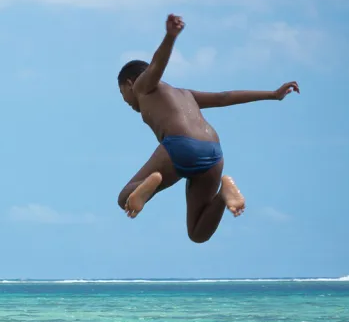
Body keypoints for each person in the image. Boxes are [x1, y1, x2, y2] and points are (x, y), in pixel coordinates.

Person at [116, 13, 300, 243]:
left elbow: (156, 66)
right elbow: (224, 97)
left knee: (124, 198)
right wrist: (272, 95)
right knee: (197, 233)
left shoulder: (143, 85)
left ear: (129, 84)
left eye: (123, 94)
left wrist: (170, 37)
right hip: (214, 152)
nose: (126, 101)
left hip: (181, 146)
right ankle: (223, 195)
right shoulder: (184, 94)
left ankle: (149, 183)